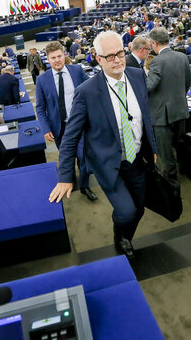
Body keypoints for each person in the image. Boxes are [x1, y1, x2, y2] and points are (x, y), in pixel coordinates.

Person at [49, 31, 157, 260]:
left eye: (120, 53)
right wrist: (65, 176)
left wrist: (153, 149)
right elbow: (69, 138)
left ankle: (125, 235)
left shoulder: (138, 76)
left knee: (139, 209)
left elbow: (145, 117)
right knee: (126, 211)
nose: (117, 60)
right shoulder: (86, 92)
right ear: (98, 59)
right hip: (109, 164)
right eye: (109, 56)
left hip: (137, 159)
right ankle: (121, 238)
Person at [34, 42, 94, 200]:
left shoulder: (77, 71)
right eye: (53, 58)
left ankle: (85, 186)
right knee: (66, 157)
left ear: (64, 55)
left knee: (83, 157)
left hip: (80, 124)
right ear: (47, 59)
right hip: (59, 127)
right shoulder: (42, 80)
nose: (57, 60)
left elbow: (92, 89)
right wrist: (46, 128)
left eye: (59, 56)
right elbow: (40, 107)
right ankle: (70, 180)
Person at [146, 27, 191, 179]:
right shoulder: (182, 56)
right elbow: (188, 82)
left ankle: (172, 186)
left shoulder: (156, 61)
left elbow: (149, 86)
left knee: (166, 154)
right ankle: (184, 171)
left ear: (154, 43)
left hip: (162, 116)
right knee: (180, 144)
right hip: (180, 108)